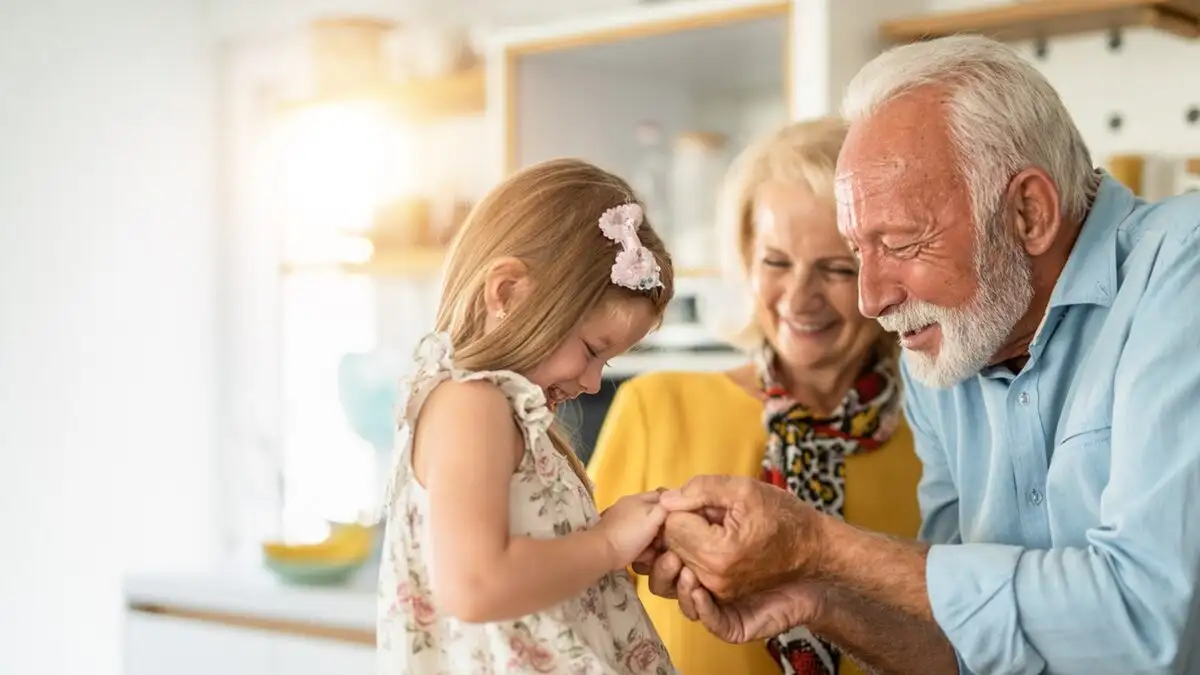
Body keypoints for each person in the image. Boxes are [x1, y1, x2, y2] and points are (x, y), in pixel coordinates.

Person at [643, 34, 1200, 675]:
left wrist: (819, 546)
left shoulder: (1180, 270)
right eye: (858, 252)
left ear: (1028, 212)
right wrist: (814, 598)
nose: (871, 299)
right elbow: (966, 648)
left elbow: (1147, 621)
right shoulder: (942, 352)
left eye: (902, 244)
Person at [589, 117, 921, 675]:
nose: (799, 297)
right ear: (745, 257)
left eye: (837, 269)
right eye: (776, 262)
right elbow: (577, 612)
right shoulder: (655, 409)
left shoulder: (937, 441)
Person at [377, 158, 680, 675]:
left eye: (605, 362)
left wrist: (611, 538)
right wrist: (605, 545)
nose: (590, 382)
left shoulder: (502, 413)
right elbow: (477, 585)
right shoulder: (471, 405)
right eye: (590, 349)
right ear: (508, 293)